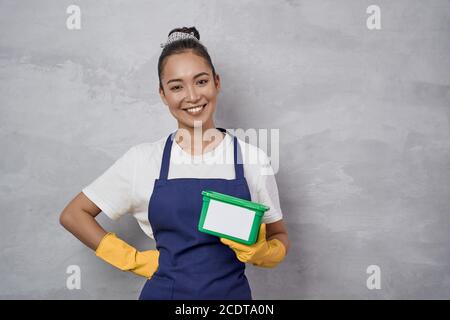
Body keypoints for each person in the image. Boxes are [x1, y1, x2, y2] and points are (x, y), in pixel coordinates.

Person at [59, 26, 290, 300]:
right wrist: (132, 259)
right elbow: (73, 215)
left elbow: (279, 234)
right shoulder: (142, 160)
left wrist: (265, 252)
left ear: (217, 82)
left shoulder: (253, 160)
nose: (192, 96)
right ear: (162, 94)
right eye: (176, 86)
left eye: (201, 81)